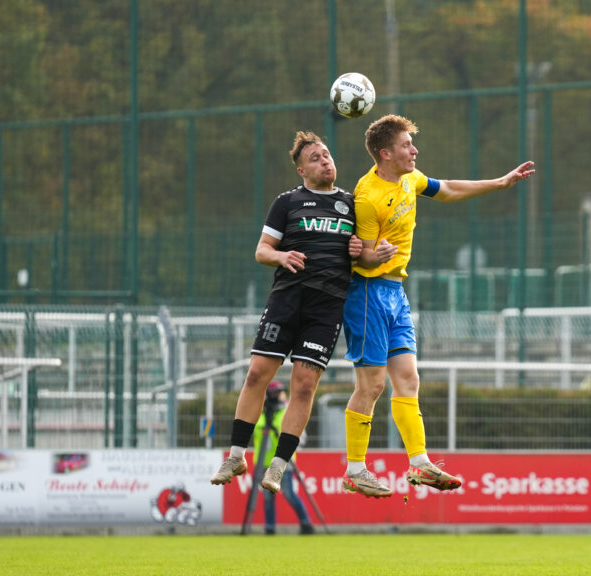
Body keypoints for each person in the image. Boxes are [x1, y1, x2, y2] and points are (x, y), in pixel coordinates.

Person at [341, 114, 535, 498]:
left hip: (396, 293)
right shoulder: (367, 196)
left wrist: (500, 182)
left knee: (409, 380)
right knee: (373, 384)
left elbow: (446, 189)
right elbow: (359, 257)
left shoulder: (410, 179)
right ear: (385, 153)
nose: (414, 150)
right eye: (406, 145)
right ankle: (355, 470)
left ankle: (419, 465)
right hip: (367, 292)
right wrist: (373, 256)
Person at [210, 131, 361, 495]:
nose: (325, 161)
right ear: (301, 171)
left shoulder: (353, 205)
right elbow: (262, 250)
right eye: (315, 158)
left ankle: (278, 465)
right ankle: (235, 455)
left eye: (327, 155)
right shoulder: (288, 203)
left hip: (326, 310)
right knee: (256, 375)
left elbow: (367, 254)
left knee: (304, 386)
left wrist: (361, 250)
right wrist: (281, 255)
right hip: (286, 302)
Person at [253, 381, 315, 535]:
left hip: (284, 462)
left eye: (281, 392)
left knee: (289, 494)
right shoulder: (262, 413)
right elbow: (255, 431)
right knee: (268, 498)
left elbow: (299, 436)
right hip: (264, 462)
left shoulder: (287, 411)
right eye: (276, 392)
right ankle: (270, 528)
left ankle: (306, 523)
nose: (280, 395)